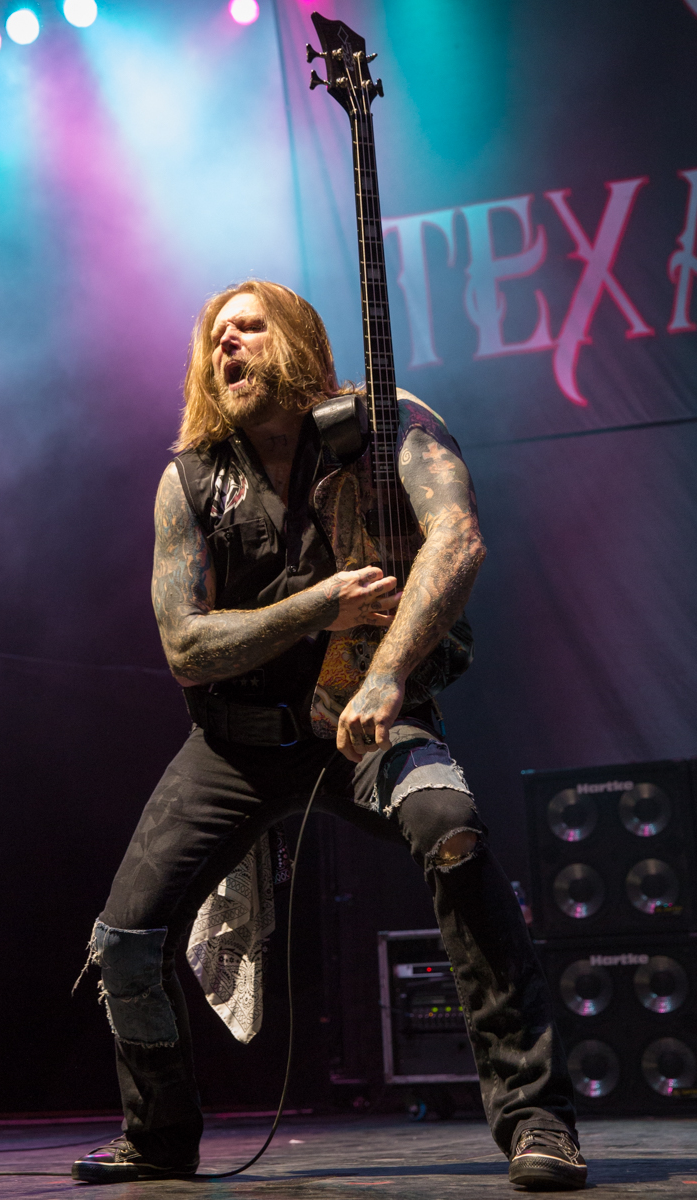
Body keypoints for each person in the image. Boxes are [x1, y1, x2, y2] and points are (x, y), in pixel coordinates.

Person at [71, 280, 587, 1191]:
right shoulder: (191, 480)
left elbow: (457, 540)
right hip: (232, 747)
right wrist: (319, 604)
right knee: (123, 942)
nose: (228, 346)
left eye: (249, 328)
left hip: (361, 726)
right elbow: (186, 647)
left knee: (454, 832)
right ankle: (159, 1136)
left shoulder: (389, 428)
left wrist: (387, 673)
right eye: (216, 337)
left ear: (299, 342)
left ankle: (536, 1117)